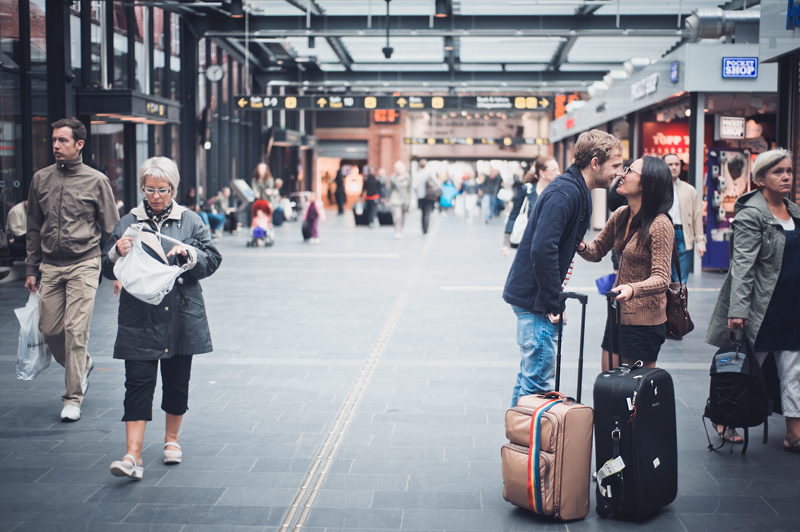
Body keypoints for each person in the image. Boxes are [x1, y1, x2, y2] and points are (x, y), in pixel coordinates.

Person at [102, 157, 222, 479]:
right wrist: (117, 252)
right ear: (142, 187)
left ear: (173, 189)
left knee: (176, 381)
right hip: (138, 315)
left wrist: (190, 254)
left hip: (181, 312)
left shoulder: (190, 220)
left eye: (162, 190)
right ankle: (132, 456)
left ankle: (172, 440)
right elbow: (105, 266)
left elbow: (212, 260)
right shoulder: (129, 220)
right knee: (137, 383)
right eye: (150, 189)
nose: (155, 195)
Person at [503, 129, 623, 406]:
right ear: (595, 163)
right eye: (615, 165)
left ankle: (519, 443)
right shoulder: (565, 192)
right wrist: (553, 303)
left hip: (534, 297)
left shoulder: (573, 190)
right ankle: (530, 446)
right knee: (537, 383)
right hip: (535, 301)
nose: (618, 172)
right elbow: (542, 249)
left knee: (529, 378)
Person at [25, 118, 119, 422]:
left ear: (79, 144)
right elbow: (33, 228)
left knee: (75, 330)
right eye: (53, 140)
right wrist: (31, 268)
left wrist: (116, 270)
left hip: (85, 263)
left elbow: (113, 230)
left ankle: (72, 398)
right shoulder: (40, 179)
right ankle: (84, 364)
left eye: (62, 140)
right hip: (50, 266)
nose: (55, 145)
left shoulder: (96, 181)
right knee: (50, 329)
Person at [706, 149, 800, 450]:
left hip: (793, 307)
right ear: (760, 179)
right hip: (762, 309)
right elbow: (743, 267)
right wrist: (738, 310)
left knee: (793, 370)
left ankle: (793, 432)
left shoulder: (795, 212)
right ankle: (726, 418)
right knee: (743, 368)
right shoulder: (751, 215)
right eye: (777, 172)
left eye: (788, 171)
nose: (786, 176)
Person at [578, 156, 674, 372]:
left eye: (630, 171)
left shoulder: (660, 224)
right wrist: (580, 245)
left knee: (634, 394)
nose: (622, 174)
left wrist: (632, 288)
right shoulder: (621, 214)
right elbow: (597, 250)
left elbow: (661, 278)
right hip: (618, 313)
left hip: (644, 322)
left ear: (647, 183)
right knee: (608, 383)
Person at [502, 157, 559, 257]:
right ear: (542, 173)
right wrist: (506, 242)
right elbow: (513, 215)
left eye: (557, 169)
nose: (558, 173)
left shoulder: (559, 192)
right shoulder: (527, 190)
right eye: (554, 170)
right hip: (527, 244)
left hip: (549, 245)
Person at [663, 153, 706, 283]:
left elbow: (696, 216)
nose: (674, 167)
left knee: (680, 280)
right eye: (670, 164)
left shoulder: (690, 190)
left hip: (683, 234)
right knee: (661, 277)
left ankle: (678, 303)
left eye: (677, 164)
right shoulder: (658, 188)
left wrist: (700, 240)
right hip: (662, 233)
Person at [387, 161, 412, 239]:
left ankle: (400, 230)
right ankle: (397, 231)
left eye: (400, 168)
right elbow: (389, 189)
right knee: (397, 216)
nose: (399, 170)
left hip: (405, 199)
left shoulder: (407, 177)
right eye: (397, 168)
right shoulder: (393, 177)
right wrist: (387, 199)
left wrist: (411, 199)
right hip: (395, 199)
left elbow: (409, 189)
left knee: (403, 217)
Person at [413, 159, 436, 234]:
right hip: (429, 196)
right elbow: (435, 183)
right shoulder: (429, 173)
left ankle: (424, 228)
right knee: (427, 212)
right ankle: (426, 229)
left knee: (423, 213)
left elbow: (414, 186)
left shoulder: (417, 174)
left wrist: (417, 194)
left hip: (420, 196)